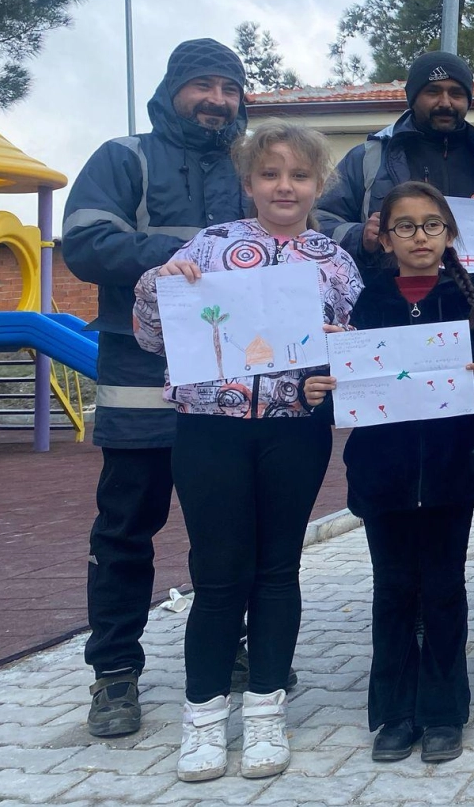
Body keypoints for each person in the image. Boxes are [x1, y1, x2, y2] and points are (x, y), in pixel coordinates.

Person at [131, 119, 362, 782]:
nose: (284, 186)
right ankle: (203, 717)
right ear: (248, 182)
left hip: (295, 429)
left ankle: (265, 710)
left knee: (278, 569)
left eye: (299, 175)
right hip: (211, 429)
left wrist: (336, 358)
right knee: (218, 573)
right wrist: (157, 284)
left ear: (319, 184)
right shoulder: (208, 248)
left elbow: (345, 355)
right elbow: (152, 338)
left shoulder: (336, 261)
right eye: (270, 174)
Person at [317, 50, 474, 652]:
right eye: (433, 91)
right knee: (414, 462)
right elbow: (321, 222)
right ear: (412, 95)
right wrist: (361, 234)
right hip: (393, 324)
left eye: (456, 92)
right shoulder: (368, 159)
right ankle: (416, 602)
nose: (445, 102)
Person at [61, 38, 250, 738]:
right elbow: (85, 242)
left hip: (229, 381)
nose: (217, 101)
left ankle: (228, 648)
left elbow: (298, 232)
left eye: (230, 89)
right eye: (203, 86)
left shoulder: (248, 165)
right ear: (172, 90)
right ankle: (114, 673)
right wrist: (193, 255)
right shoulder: (125, 157)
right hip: (141, 384)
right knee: (124, 533)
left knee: (224, 531)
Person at [304, 184, 474, 763]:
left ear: (449, 234)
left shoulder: (471, 300)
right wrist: (323, 388)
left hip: (449, 473)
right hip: (383, 474)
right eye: (406, 227)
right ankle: (395, 713)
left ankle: (443, 713)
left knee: (443, 590)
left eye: (432, 225)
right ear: (385, 238)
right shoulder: (365, 303)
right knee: (392, 591)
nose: (420, 237)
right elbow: (345, 387)